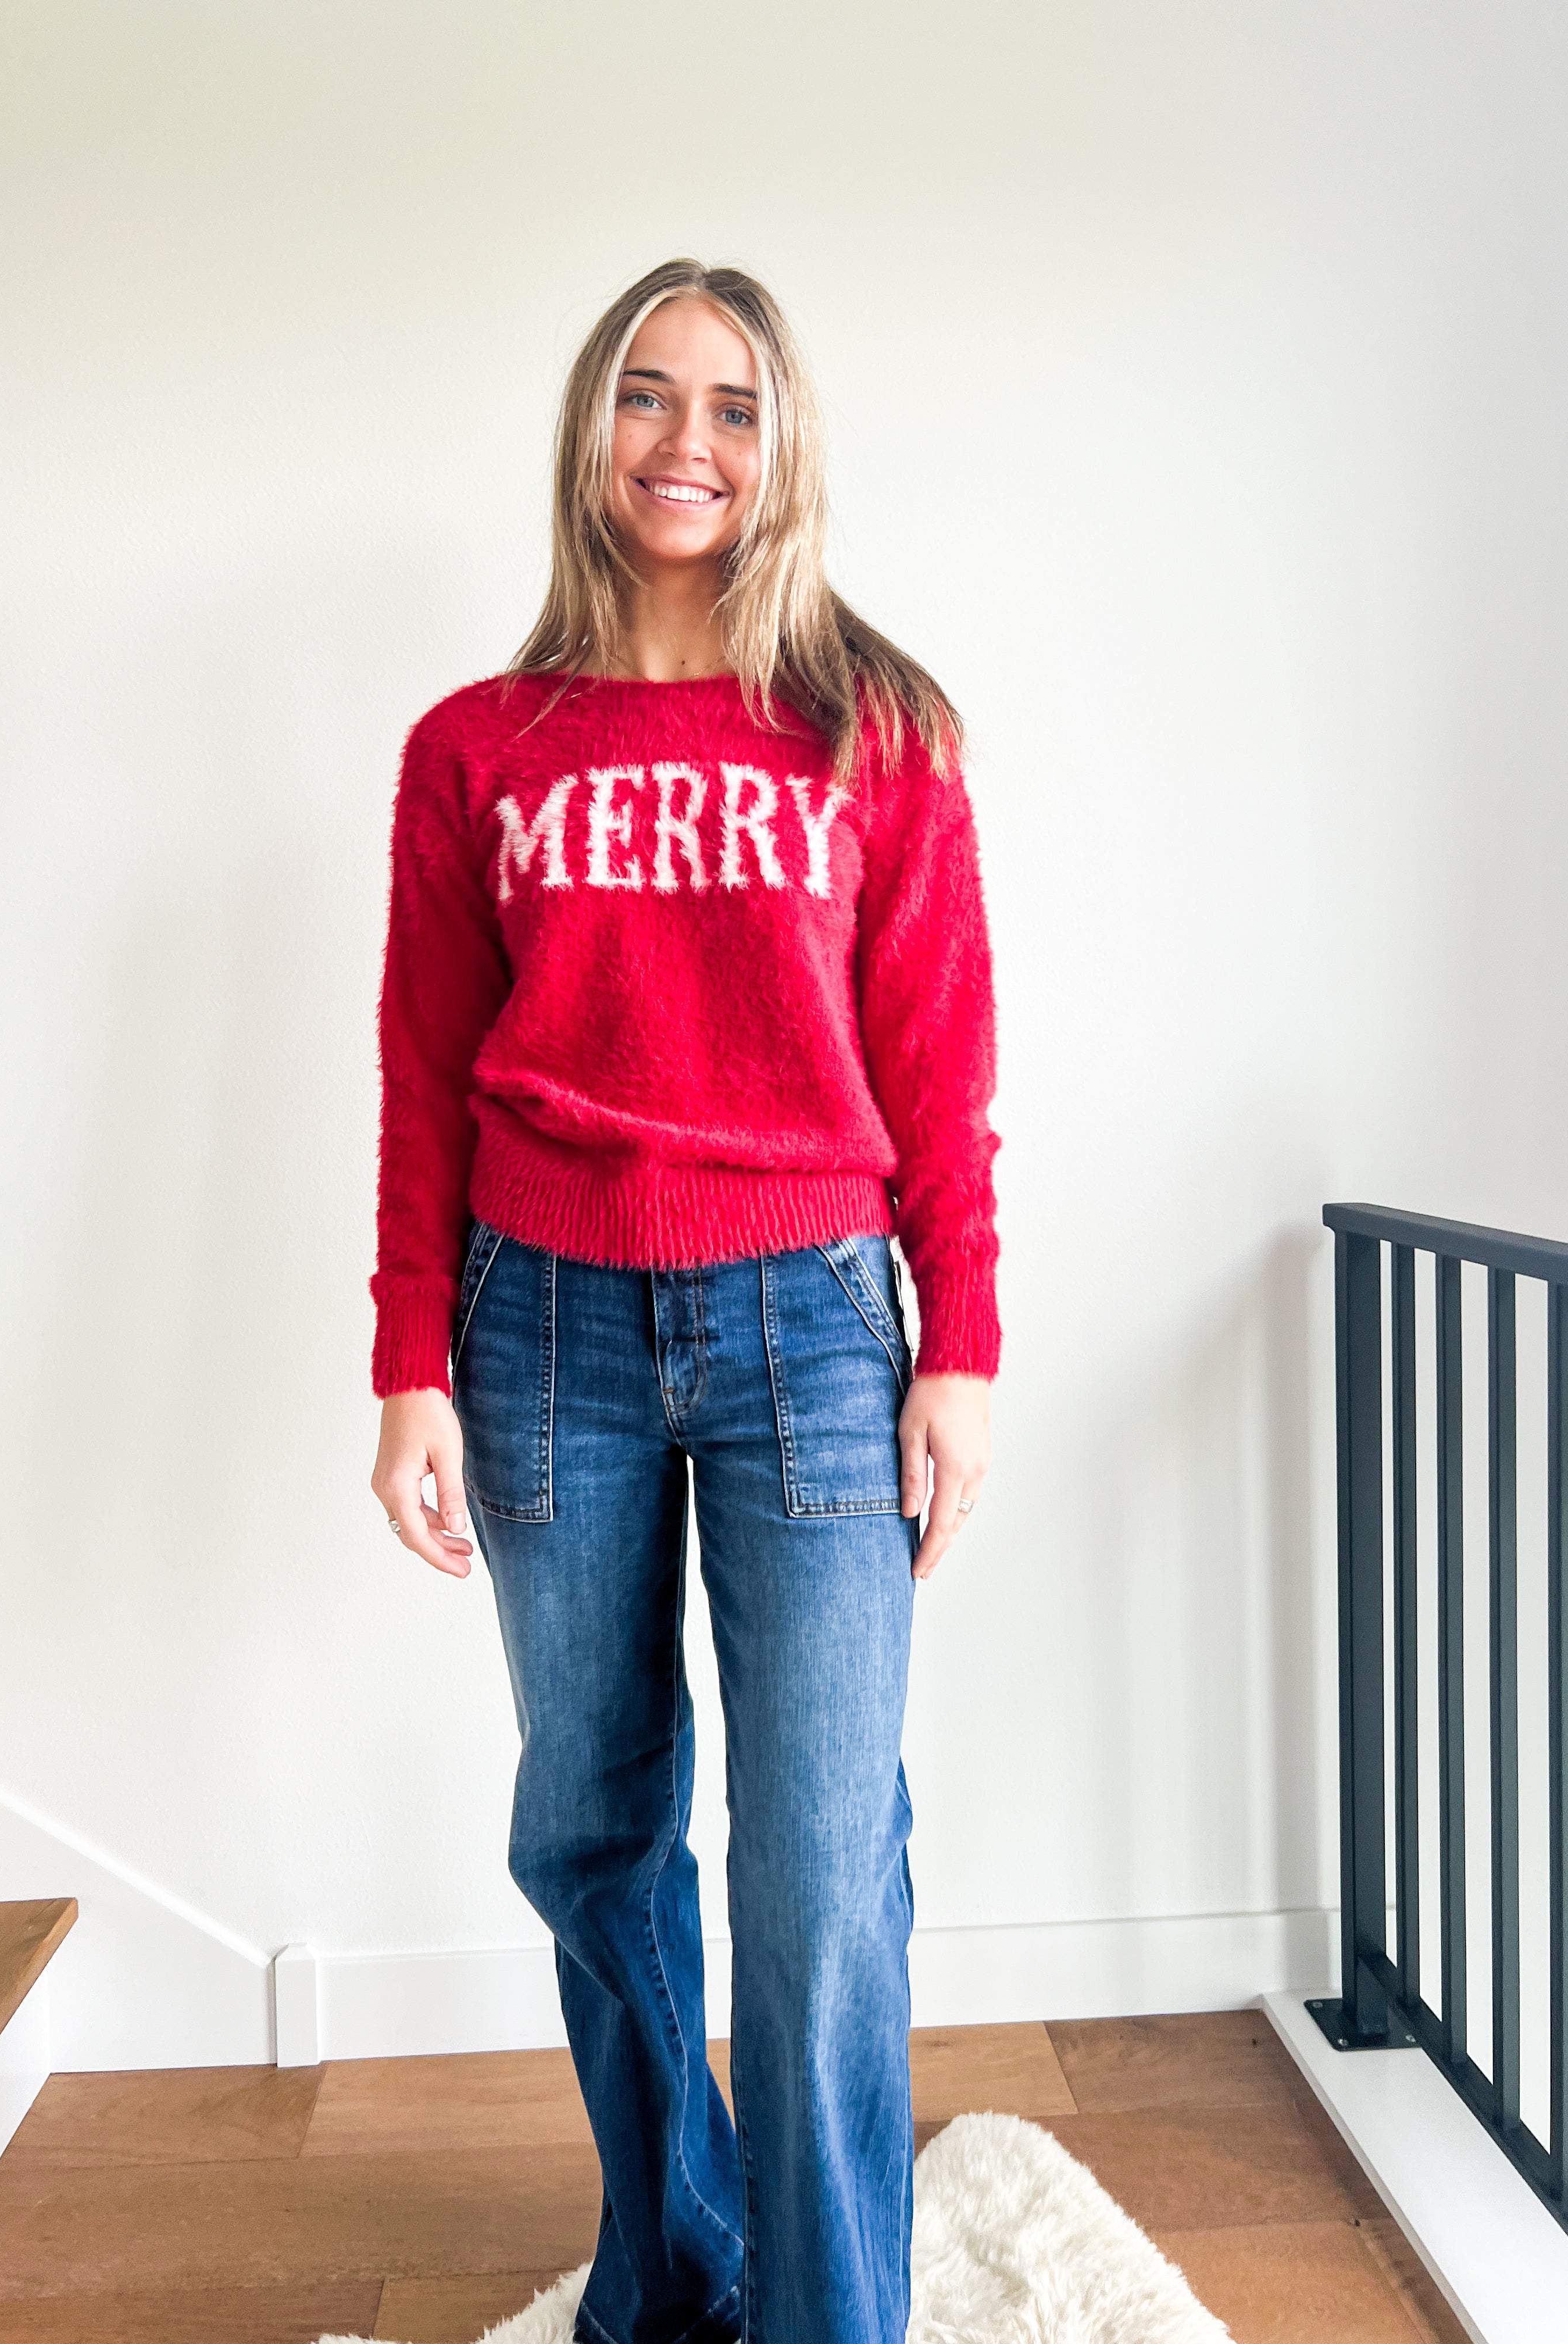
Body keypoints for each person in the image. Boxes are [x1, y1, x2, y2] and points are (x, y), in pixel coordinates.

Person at [367, 256, 1001, 2344]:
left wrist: (962, 1343)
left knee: (820, 1873)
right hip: (541, 1329)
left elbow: (939, 1064)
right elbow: (423, 1071)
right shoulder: (476, 749)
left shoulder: (877, 733)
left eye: (733, 406)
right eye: (648, 396)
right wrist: (408, 1362)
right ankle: (677, 2272)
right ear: (592, 429)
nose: (686, 443)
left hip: (813, 1332)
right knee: (597, 1829)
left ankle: (832, 2318)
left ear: (781, 447)